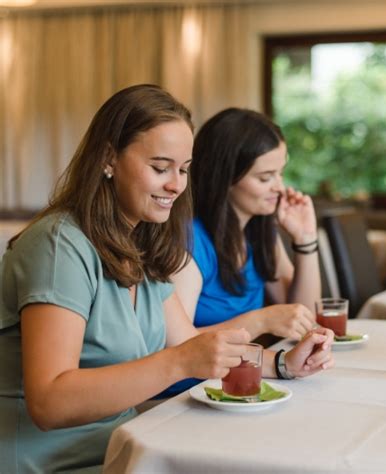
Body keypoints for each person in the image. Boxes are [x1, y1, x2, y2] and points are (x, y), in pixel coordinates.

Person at [0, 85, 334, 473]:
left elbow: (191, 343)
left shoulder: (137, 242)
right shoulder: (59, 246)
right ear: (109, 158)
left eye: (184, 170)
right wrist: (177, 363)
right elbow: (50, 402)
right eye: (160, 168)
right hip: (51, 463)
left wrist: (282, 364)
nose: (176, 185)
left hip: (125, 448)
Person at [173, 108, 322, 340]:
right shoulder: (188, 241)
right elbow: (177, 344)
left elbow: (305, 318)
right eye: (265, 178)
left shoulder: (259, 229)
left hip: (246, 371)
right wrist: (260, 321)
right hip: (202, 377)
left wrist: (306, 240)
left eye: (280, 173)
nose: (279, 188)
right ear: (225, 178)